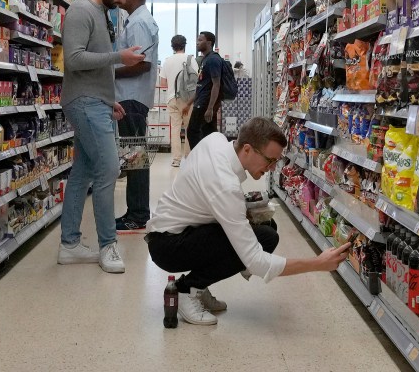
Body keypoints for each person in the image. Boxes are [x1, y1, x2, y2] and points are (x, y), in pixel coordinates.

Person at [145, 117, 350, 325]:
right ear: (247, 149)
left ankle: (199, 284)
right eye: (269, 160)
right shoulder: (226, 185)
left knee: (268, 226)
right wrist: (318, 263)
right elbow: (257, 261)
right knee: (264, 239)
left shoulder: (216, 140)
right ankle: (187, 290)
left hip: (174, 229)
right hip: (168, 246)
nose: (271, 168)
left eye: (275, 162)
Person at [58, 0, 145, 274]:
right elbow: (75, 58)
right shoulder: (82, 10)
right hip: (83, 103)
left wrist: (110, 100)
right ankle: (109, 245)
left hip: (96, 102)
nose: (123, 1)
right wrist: (119, 56)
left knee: (82, 173)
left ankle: (69, 245)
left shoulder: (102, 13)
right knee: (108, 170)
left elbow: (97, 65)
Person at [114, 0, 159, 232]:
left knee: (135, 158)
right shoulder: (139, 20)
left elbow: (143, 64)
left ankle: (138, 215)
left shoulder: (140, 22)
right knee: (135, 157)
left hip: (132, 98)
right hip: (133, 98)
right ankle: (137, 212)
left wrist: (109, 73)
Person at [160, 34, 198, 168]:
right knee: (189, 128)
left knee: (175, 129)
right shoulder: (191, 59)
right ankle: (188, 158)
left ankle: (176, 159)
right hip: (187, 100)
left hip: (171, 98)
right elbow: (196, 79)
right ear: (185, 45)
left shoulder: (167, 61)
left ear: (172, 46)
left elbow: (163, 82)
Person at [184, 31, 222, 150]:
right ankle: (209, 159)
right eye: (197, 40)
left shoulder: (213, 60)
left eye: (200, 40)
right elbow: (201, 85)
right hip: (202, 101)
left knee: (192, 131)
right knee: (208, 134)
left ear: (209, 43)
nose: (197, 43)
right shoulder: (205, 60)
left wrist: (210, 108)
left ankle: (199, 158)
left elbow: (216, 84)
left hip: (205, 104)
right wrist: (189, 103)